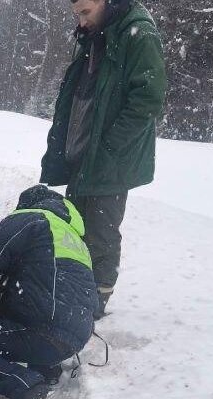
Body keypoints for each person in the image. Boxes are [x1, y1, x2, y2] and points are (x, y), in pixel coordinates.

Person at [40, 0, 167, 319]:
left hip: (110, 157)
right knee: (77, 224)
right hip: (84, 152)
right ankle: (76, 291)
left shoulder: (138, 33)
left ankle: (96, 301)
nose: (81, 22)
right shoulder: (97, 33)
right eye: (77, 14)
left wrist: (110, 146)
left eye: (86, 12)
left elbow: (148, 99)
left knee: (101, 229)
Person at [0, 186, 98, 399]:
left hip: (42, 328)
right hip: (73, 337)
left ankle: (26, 384)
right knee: (32, 297)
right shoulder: (72, 237)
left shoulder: (27, 220)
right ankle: (46, 368)